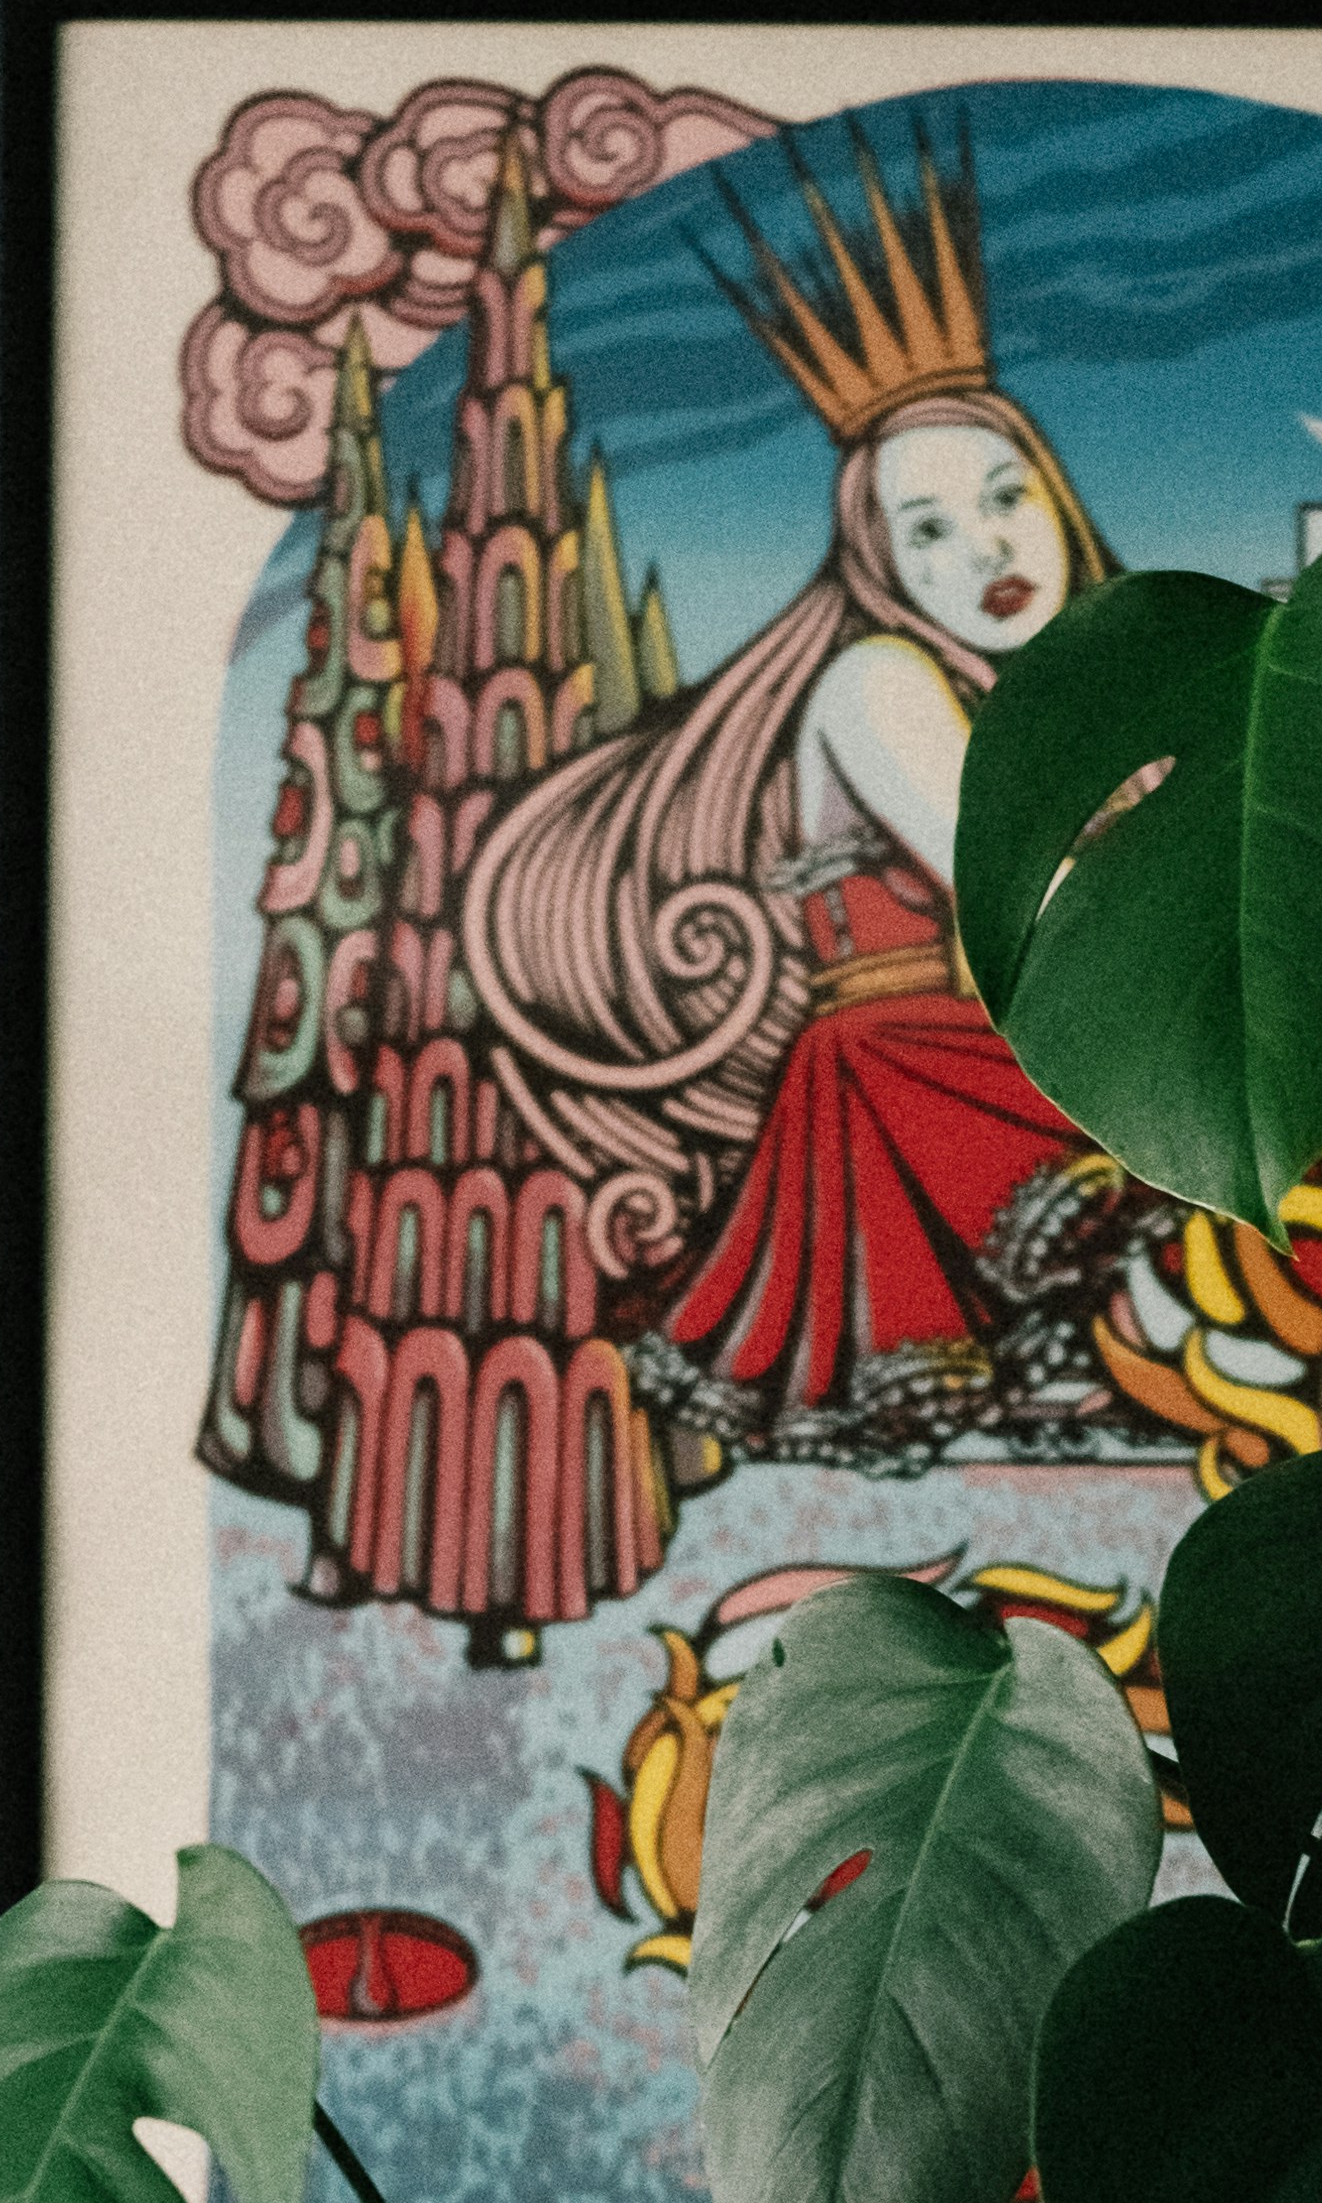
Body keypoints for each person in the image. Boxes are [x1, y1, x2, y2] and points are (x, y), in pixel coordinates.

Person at [467, 131, 1163, 1473]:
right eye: (931, 529)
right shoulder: (878, 680)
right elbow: (1032, 900)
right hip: (917, 1069)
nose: (989, 546)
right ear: (877, 558)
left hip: (1011, 1047)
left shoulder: (1049, 695)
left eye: (1007, 497)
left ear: (1058, 500)